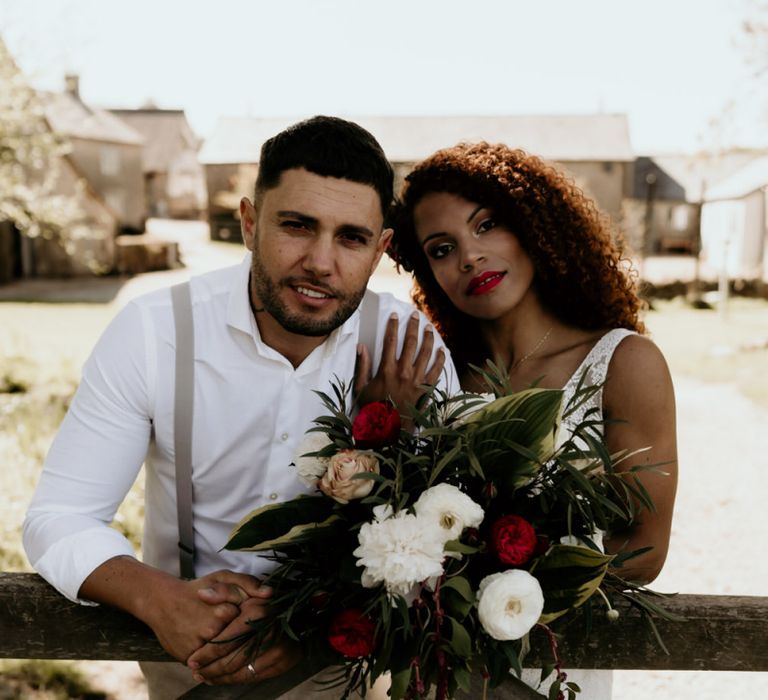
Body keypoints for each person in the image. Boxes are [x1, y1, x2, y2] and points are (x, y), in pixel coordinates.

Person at [23, 116, 458, 699]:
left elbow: (448, 537)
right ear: (250, 224)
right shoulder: (156, 331)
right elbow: (60, 517)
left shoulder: (406, 345)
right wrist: (158, 599)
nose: (320, 262)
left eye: (351, 237)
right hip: (190, 662)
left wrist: (315, 620)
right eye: (297, 226)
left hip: (344, 669)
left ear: (380, 249)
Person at [386, 142, 678, 698]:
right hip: (436, 676)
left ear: (535, 224)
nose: (469, 256)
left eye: (487, 224)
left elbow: (645, 550)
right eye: (442, 248)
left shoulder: (623, 363)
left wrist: (495, 589)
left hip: (555, 674)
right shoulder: (433, 377)